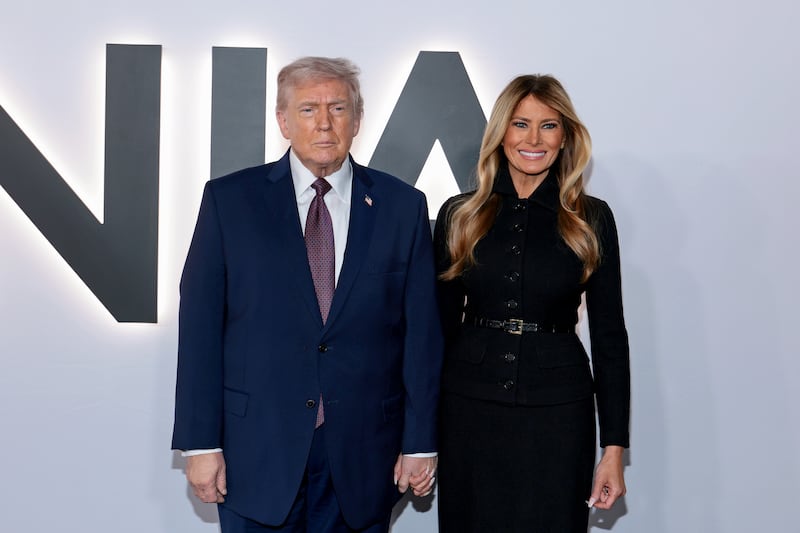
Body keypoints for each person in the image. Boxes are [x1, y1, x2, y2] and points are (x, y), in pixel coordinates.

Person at [172, 56, 443, 533]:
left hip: (363, 455)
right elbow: (199, 329)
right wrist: (199, 443)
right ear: (282, 120)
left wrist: (420, 442)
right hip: (254, 453)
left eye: (337, 108)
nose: (324, 123)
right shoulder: (229, 201)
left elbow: (422, 335)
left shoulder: (403, 207)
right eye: (307, 109)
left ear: (357, 120)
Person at [433, 74, 630, 532]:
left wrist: (614, 449)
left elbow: (609, 336)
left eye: (548, 125)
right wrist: (418, 437)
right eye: (521, 124)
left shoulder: (591, 218)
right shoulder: (459, 214)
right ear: (502, 132)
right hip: (469, 411)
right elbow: (436, 330)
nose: (533, 139)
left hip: (559, 414)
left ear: (565, 137)